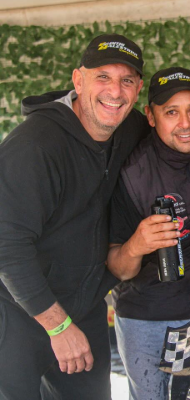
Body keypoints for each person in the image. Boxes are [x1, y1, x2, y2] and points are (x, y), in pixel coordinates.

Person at [0, 34, 149, 399]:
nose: (115, 91)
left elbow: (177, 135)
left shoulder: (129, 128)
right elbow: (6, 245)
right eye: (103, 77)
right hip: (17, 309)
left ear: (137, 89)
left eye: (126, 80)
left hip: (84, 306)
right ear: (78, 80)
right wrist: (58, 326)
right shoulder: (34, 146)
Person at [106, 67, 190, 400]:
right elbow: (118, 268)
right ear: (151, 116)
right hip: (148, 319)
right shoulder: (133, 176)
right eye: (171, 112)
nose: (185, 123)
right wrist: (136, 245)